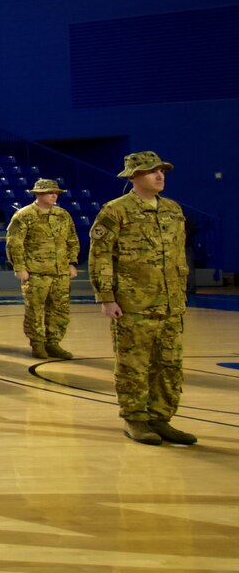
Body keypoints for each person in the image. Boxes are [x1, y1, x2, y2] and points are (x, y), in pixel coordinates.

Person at [89, 152, 193, 446]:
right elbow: (100, 257)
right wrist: (107, 297)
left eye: (161, 171)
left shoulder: (173, 210)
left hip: (170, 303)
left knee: (169, 364)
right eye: (151, 172)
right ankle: (135, 419)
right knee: (134, 365)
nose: (159, 176)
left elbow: (177, 256)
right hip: (133, 304)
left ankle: (161, 419)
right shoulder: (116, 211)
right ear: (133, 177)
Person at [6, 178, 82, 360]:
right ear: (38, 194)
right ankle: (37, 343)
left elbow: (72, 240)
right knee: (35, 309)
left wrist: (72, 263)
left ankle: (53, 343)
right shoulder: (24, 215)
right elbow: (14, 243)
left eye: (55, 193)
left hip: (60, 272)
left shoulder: (63, 215)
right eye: (50, 192)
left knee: (60, 309)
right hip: (35, 272)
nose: (54, 196)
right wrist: (19, 267)